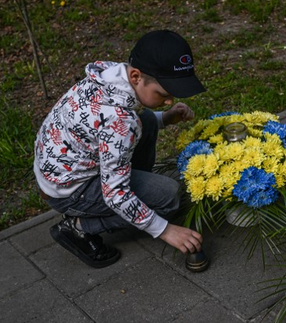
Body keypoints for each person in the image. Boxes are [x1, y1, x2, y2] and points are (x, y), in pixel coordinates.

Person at [33, 30, 204, 269]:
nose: (169, 100)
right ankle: (78, 227)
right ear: (136, 76)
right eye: (164, 94)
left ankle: (136, 191)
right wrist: (165, 230)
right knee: (169, 197)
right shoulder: (121, 123)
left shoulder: (110, 76)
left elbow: (108, 127)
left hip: (59, 170)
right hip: (68, 191)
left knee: (150, 121)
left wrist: (165, 117)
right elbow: (116, 195)